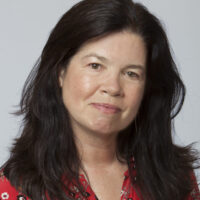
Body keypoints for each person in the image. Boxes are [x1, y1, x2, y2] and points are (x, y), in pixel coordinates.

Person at [0, 0, 199, 199]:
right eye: (95, 66)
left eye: (131, 74)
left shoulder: (177, 179)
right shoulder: (15, 186)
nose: (113, 87)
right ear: (60, 72)